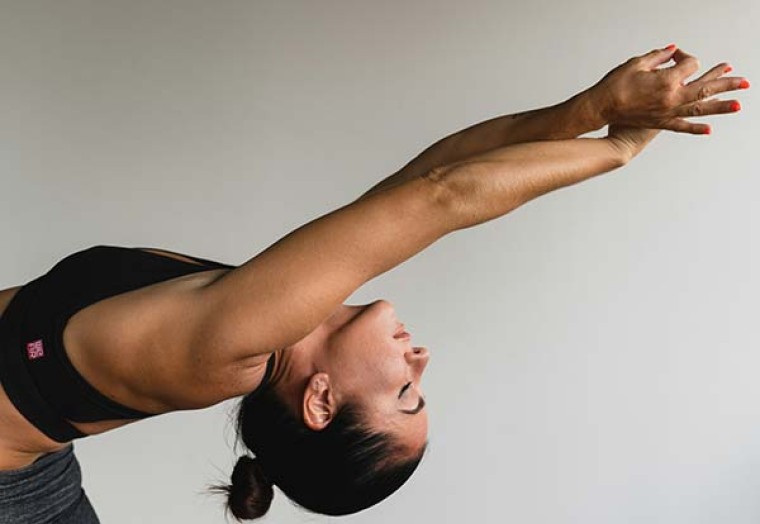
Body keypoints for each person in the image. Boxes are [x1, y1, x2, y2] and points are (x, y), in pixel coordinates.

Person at [0, 45, 749, 522]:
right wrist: (586, 113)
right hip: (36, 475)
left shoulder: (231, 348)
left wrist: (619, 150)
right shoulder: (278, 312)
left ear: (321, 401)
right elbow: (433, 170)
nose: (421, 361)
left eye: (405, 392)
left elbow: (444, 197)